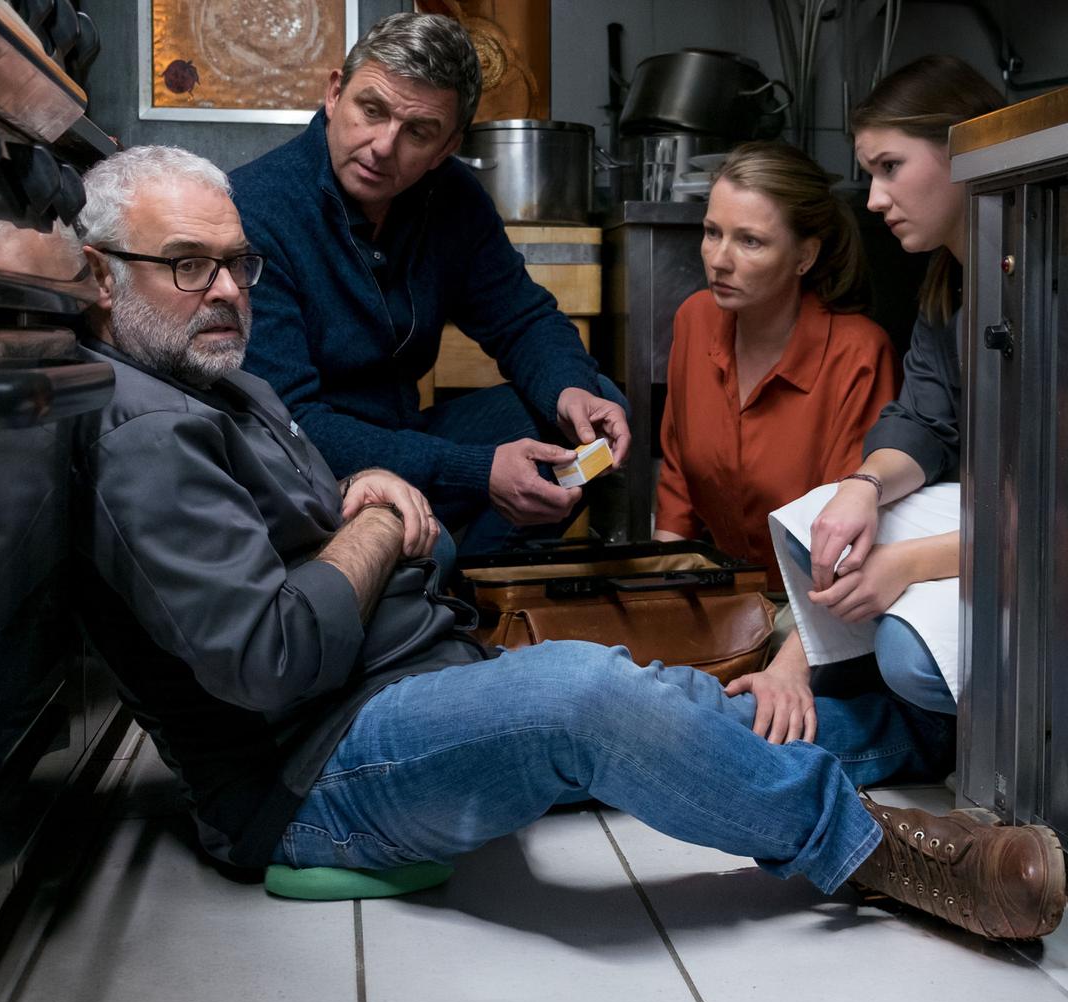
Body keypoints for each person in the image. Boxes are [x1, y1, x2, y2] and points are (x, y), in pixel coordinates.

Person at [67, 142, 1064, 942]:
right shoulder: (145, 435)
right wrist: (376, 517)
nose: (229, 290)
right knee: (584, 698)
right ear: (101, 280)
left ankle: (892, 747)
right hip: (309, 778)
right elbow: (271, 658)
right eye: (187, 266)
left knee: (660, 699)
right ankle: (886, 856)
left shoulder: (220, 385)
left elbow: (510, 328)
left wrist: (348, 490)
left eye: (238, 263)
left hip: (392, 688)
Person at [230, 13, 630, 553]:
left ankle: (473, 587)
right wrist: (475, 469)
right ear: (334, 93)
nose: (382, 146)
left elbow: (522, 319)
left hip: (408, 440)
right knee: (425, 545)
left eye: (417, 132)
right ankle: (442, 589)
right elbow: (290, 423)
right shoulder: (256, 211)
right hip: (306, 468)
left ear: (447, 147)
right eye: (371, 111)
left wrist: (569, 388)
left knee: (593, 414)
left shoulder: (453, 197)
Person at [773, 57, 1006, 723]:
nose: (873, 200)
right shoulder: (949, 282)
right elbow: (926, 422)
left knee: (909, 659)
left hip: (1042, 535)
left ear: (967, 149)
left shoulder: (1045, 277)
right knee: (813, 534)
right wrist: (864, 488)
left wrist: (908, 565)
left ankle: (928, 726)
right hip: (995, 518)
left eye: (890, 167)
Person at [652, 141, 902, 744]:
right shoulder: (694, 319)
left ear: (805, 255)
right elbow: (679, 478)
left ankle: (906, 737)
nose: (719, 258)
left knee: (741, 726)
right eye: (712, 233)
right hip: (724, 595)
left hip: (826, 612)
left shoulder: (857, 351)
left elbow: (847, 547)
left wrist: (793, 667)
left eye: (750, 241)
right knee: (625, 688)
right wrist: (655, 605)